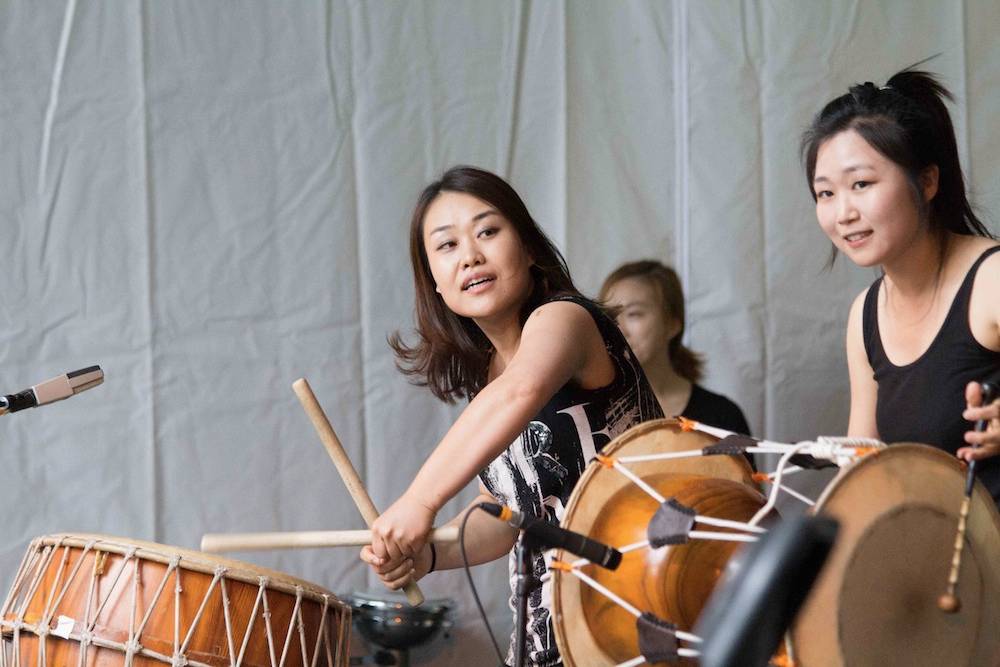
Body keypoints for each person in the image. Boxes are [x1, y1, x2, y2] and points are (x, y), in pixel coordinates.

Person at [359, 166, 663, 666]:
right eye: (447, 246)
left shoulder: (565, 320)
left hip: (640, 614)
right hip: (553, 639)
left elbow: (521, 391)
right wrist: (429, 555)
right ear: (434, 281)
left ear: (527, 248)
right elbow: (506, 514)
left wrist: (419, 501)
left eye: (487, 231)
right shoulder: (489, 379)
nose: (471, 255)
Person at [801, 66, 1000, 501]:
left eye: (861, 184)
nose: (843, 213)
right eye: (826, 193)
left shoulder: (991, 279)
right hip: (935, 558)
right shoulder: (865, 315)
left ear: (927, 181)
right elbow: (864, 460)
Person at [599, 260, 751, 436]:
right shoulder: (593, 415)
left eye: (634, 314)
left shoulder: (721, 415)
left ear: (672, 324)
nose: (619, 329)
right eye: (611, 317)